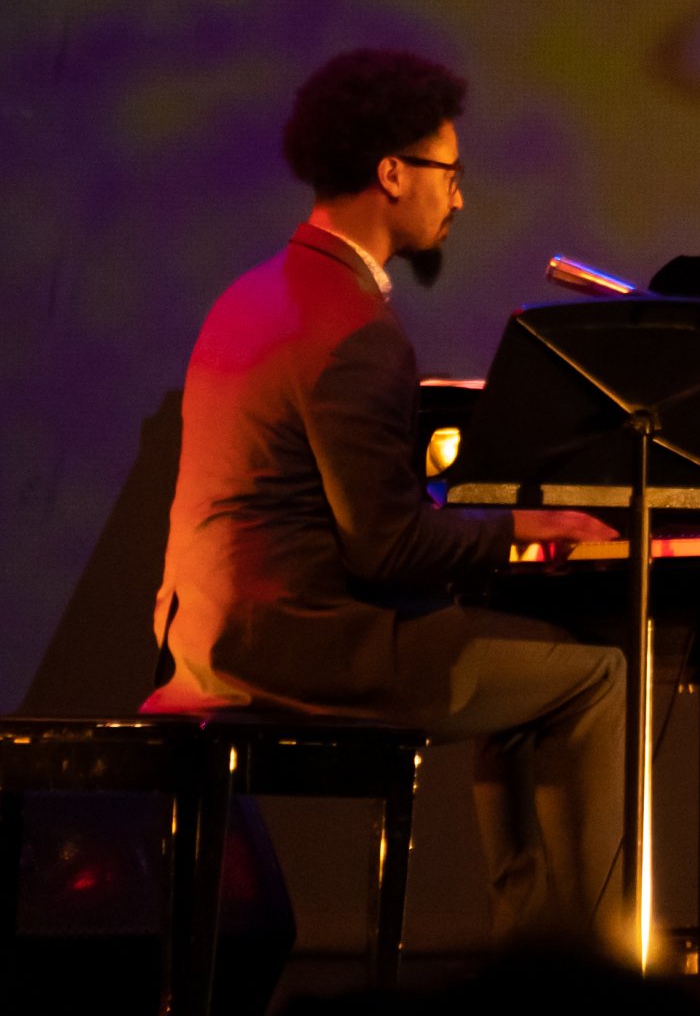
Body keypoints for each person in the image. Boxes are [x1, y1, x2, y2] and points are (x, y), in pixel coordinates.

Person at [150, 48, 625, 948]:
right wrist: (521, 526)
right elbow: (386, 547)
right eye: (450, 173)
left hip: (207, 631)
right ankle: (591, 973)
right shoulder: (354, 326)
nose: (459, 198)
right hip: (302, 648)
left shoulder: (253, 293)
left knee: (529, 662)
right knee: (596, 675)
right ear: (393, 173)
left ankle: (532, 951)